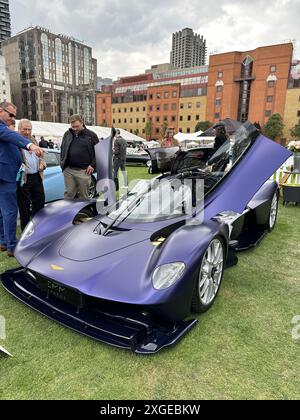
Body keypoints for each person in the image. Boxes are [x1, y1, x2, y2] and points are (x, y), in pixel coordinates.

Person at [0, 101, 44, 257]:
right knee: (10, 211)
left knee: (3, 211)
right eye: (10, 114)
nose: (12, 118)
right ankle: (12, 246)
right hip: (5, 176)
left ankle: (4, 241)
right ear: (1, 110)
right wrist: (30, 146)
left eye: (14, 116)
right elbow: (11, 135)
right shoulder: (3, 129)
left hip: (7, 174)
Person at [16, 119, 46, 231]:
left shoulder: (33, 140)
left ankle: (37, 227)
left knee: (40, 201)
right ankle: (25, 229)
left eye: (29, 129)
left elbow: (41, 156)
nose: (27, 132)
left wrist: (42, 163)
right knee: (24, 206)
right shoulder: (16, 142)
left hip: (36, 177)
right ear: (19, 129)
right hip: (24, 178)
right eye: (25, 129)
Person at [60, 114, 99, 199]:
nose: (74, 129)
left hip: (84, 171)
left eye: (76, 126)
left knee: (83, 196)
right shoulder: (67, 134)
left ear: (82, 122)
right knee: (69, 194)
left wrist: (92, 165)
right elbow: (63, 148)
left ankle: (83, 212)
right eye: (72, 126)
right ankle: (68, 212)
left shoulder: (91, 135)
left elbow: (99, 152)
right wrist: (63, 163)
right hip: (69, 170)